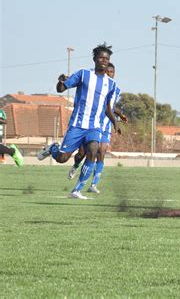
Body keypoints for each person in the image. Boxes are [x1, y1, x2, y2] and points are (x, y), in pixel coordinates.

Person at [37, 43, 120, 199]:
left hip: (94, 127)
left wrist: (115, 122)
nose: (104, 60)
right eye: (101, 57)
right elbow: (61, 89)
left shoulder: (111, 84)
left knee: (93, 151)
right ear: (95, 59)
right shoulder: (83, 74)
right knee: (62, 158)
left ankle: (77, 190)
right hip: (77, 125)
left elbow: (108, 108)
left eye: (107, 58)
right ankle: (53, 148)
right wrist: (61, 81)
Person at [68, 63, 128, 195]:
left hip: (105, 125)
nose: (109, 74)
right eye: (107, 72)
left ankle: (93, 184)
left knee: (101, 152)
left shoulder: (115, 88)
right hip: (91, 123)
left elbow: (110, 106)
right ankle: (76, 165)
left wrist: (119, 115)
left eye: (111, 72)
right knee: (81, 154)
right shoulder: (96, 84)